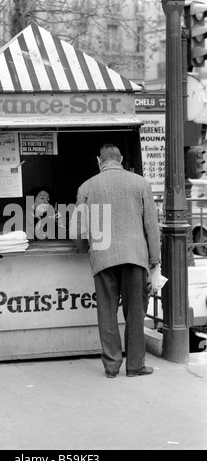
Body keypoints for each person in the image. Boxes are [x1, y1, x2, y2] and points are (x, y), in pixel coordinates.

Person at [70, 143, 161, 378]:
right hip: (134, 256)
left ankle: (111, 366)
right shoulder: (140, 183)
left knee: (107, 311)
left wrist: (82, 248)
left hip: (103, 256)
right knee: (135, 311)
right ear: (120, 159)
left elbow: (80, 229)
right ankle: (135, 366)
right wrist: (154, 260)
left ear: (98, 161)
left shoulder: (86, 187)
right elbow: (151, 226)